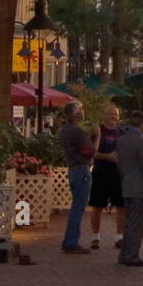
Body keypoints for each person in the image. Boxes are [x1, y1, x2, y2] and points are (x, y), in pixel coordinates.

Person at [116, 110, 143, 266]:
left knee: (129, 221)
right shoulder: (140, 141)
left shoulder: (122, 140)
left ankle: (125, 253)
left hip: (126, 183)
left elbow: (119, 163)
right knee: (137, 222)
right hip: (138, 186)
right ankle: (132, 255)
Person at [57, 101, 96, 254]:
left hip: (72, 169)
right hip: (81, 169)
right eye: (81, 109)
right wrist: (96, 136)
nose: (83, 111)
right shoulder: (79, 132)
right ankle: (71, 241)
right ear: (76, 113)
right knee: (78, 207)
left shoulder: (64, 130)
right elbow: (90, 151)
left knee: (76, 205)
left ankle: (70, 240)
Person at [88, 104, 124, 250]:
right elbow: (90, 153)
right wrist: (107, 157)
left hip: (117, 174)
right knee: (97, 207)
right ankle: (95, 237)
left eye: (116, 114)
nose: (113, 117)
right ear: (104, 115)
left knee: (121, 208)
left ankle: (119, 238)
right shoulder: (97, 131)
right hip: (100, 173)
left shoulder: (122, 132)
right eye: (111, 114)